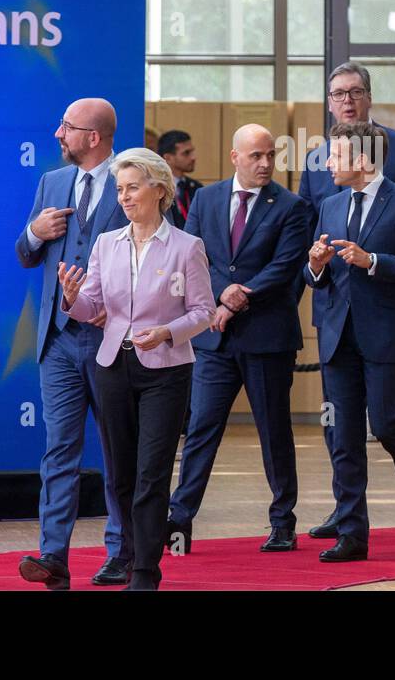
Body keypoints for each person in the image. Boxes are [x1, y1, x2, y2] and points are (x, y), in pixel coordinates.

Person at [59, 148, 215, 590]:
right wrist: (72, 299)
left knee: (151, 474)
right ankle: (128, 555)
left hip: (166, 371)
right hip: (112, 365)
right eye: (119, 189)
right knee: (121, 474)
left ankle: (146, 571)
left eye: (132, 188)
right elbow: (93, 306)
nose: (124, 197)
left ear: (159, 190)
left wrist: (167, 332)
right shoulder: (107, 244)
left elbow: (204, 312)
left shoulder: (188, 247)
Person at [298, 60, 395, 541]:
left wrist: (387, 270)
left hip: (385, 321)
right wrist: (315, 264)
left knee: (386, 420)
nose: (345, 100)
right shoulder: (326, 182)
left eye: (353, 91)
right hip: (337, 324)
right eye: (337, 93)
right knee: (340, 430)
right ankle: (351, 527)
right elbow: (309, 240)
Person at [167, 125, 313, 552]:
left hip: (267, 338)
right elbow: (193, 256)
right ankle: (179, 521)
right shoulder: (207, 199)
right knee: (201, 430)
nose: (265, 163)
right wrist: (219, 292)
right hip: (214, 342)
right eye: (256, 156)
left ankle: (283, 521)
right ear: (235, 157)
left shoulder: (292, 206)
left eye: (270, 155)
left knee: (274, 431)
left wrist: (234, 300)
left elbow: (285, 267)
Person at [14, 98, 131, 590]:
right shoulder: (51, 183)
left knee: (117, 450)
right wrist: (33, 232)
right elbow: (24, 255)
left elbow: (157, 249)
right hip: (58, 343)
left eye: (67, 127)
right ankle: (53, 555)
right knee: (59, 450)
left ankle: (122, 552)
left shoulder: (132, 179)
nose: (58, 134)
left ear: (93, 137)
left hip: (112, 342)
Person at [159, 130, 204, 229]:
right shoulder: (157, 189)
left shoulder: (197, 188)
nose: (193, 157)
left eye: (192, 151)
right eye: (186, 153)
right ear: (168, 158)